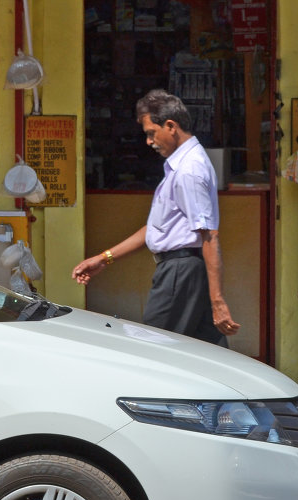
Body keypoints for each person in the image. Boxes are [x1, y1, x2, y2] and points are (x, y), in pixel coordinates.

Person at [72, 89, 240, 346]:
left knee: (152, 348)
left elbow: (209, 234)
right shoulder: (180, 166)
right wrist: (105, 258)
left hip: (180, 272)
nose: (149, 142)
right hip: (187, 271)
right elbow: (156, 227)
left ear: (171, 126)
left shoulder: (188, 170)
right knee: (208, 353)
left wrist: (218, 302)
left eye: (152, 133)